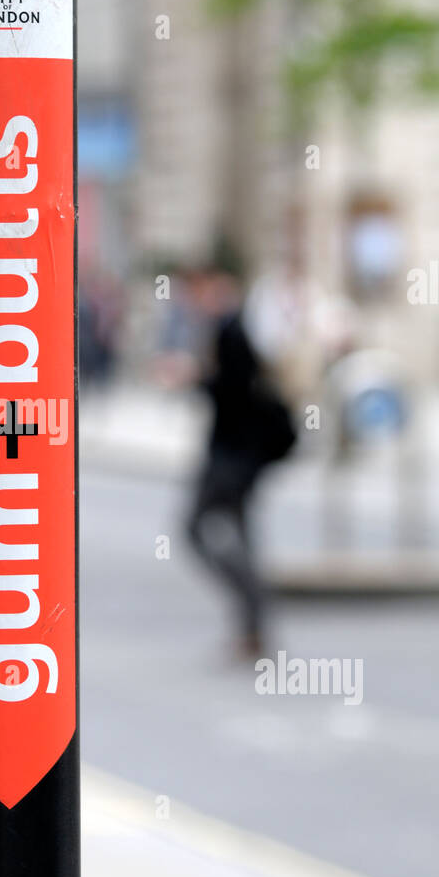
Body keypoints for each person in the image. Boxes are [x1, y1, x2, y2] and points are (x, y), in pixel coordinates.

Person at [184, 268, 296, 658]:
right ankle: (253, 624)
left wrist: (195, 378)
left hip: (232, 457)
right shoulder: (236, 329)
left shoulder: (231, 331)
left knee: (196, 529)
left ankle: (253, 601)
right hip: (241, 456)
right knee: (242, 533)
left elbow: (233, 393)